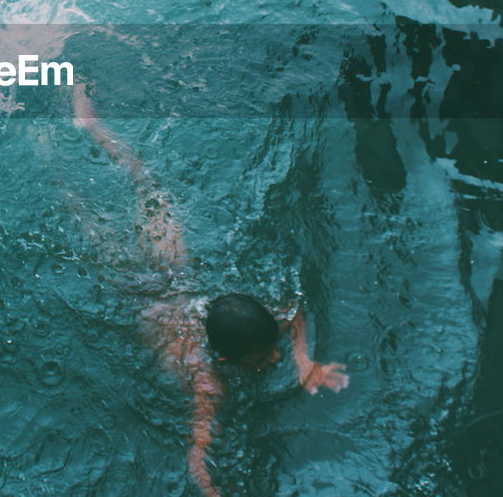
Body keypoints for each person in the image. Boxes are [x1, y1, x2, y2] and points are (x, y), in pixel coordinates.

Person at [72, 84, 347, 497]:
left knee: (149, 189)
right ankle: (75, 150)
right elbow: (197, 448)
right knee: (88, 218)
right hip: (136, 291)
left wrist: (303, 362)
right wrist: (208, 487)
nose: (273, 358)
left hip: (173, 278)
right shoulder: (208, 379)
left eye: (270, 348)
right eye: (264, 355)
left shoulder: (249, 334)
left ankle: (89, 127)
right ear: (223, 359)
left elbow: (294, 312)